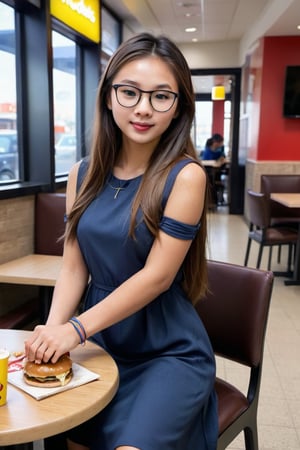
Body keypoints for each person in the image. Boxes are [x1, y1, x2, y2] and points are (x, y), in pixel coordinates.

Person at [24, 33, 218, 450]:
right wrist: (51, 333)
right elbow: (74, 267)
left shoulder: (185, 177)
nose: (143, 108)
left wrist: (73, 330)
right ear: (109, 97)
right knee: (61, 430)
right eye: (129, 92)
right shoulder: (83, 173)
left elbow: (156, 278)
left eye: (161, 96)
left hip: (166, 352)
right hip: (100, 342)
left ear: (179, 107)